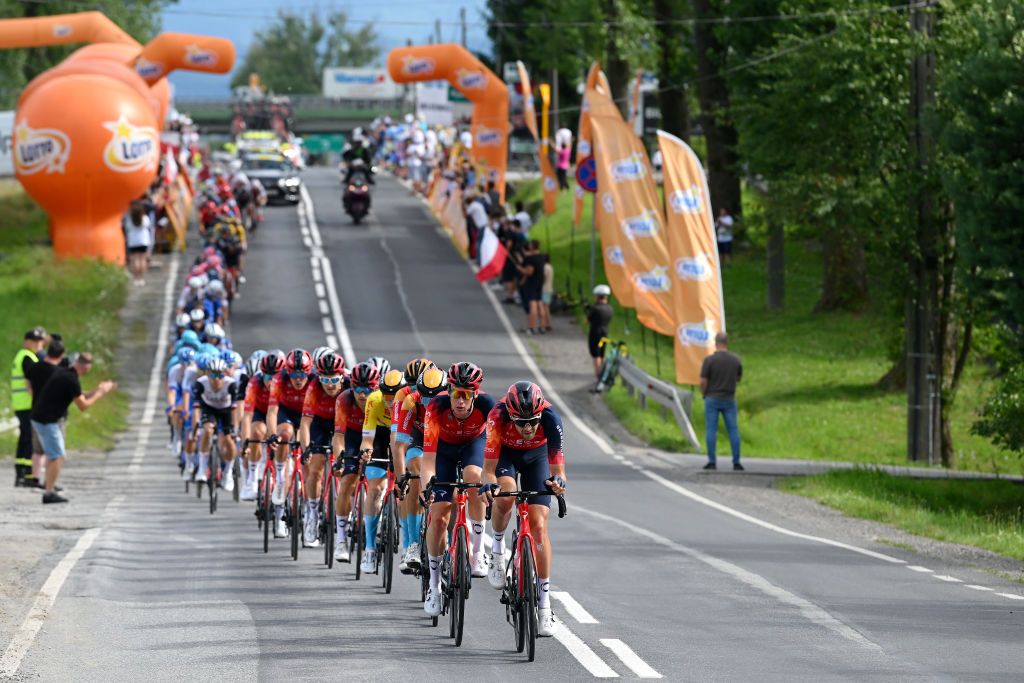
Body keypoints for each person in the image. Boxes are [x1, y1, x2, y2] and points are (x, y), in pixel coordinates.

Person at [480, 381, 567, 637]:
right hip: (505, 457)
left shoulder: (551, 418)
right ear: (511, 415)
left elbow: (558, 471)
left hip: (536, 458)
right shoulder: (497, 415)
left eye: (533, 421)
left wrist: (558, 483)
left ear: (541, 414)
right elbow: (487, 469)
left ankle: (544, 605)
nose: (528, 427)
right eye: (520, 422)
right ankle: (497, 550)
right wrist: (490, 484)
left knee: (539, 526)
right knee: (505, 498)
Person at [417, 362, 495, 617]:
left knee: (474, 477)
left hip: (474, 444)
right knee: (439, 517)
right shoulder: (436, 407)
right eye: (455, 394)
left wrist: (491, 480)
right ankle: (434, 584)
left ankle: (476, 552)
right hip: (444, 452)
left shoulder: (487, 406)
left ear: (475, 394)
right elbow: (428, 460)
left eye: (466, 395)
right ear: (448, 391)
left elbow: (496, 451)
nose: (460, 401)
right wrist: (426, 486)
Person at [30, 352, 116, 503]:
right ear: (86, 367)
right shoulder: (71, 379)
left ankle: (49, 487)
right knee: (57, 455)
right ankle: (49, 493)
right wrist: (101, 393)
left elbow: (80, 395)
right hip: (47, 420)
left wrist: (97, 390)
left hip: (42, 418)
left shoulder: (66, 374)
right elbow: (83, 405)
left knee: (54, 455)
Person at [331, 361, 380, 563]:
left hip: (377, 438)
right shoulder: (344, 399)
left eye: (367, 389)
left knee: (380, 482)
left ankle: (382, 516)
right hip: (351, 438)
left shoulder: (379, 401)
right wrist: (339, 459)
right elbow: (338, 436)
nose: (362, 394)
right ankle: (341, 540)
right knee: (346, 482)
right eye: (358, 389)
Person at [297, 351, 347, 548]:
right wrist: (306, 448)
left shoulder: (351, 387)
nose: (330, 384)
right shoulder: (314, 387)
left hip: (344, 427)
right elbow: (305, 423)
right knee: (315, 467)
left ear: (342, 376)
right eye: (325, 379)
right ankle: (311, 514)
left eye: (334, 379)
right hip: (321, 424)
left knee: (346, 467)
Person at [266, 348, 314, 538]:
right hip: (286, 413)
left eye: (303, 373)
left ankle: (312, 513)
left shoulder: (314, 381)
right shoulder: (279, 380)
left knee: (309, 461)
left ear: (309, 371)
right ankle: (279, 475)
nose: (298, 378)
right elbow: (271, 412)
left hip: (308, 416)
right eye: (294, 373)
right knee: (284, 434)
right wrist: (272, 435)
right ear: (287, 371)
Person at [24, 334, 64, 486]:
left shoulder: (34, 369)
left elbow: (29, 388)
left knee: (37, 449)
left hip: (35, 411)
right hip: (53, 415)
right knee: (53, 451)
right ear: (61, 355)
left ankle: (35, 478)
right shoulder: (59, 372)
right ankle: (49, 481)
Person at [700, 332, 743, 471]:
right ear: (727, 342)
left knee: (711, 430)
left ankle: (712, 461)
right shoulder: (736, 360)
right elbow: (738, 378)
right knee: (733, 430)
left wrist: (704, 393)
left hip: (712, 398)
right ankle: (736, 462)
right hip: (729, 399)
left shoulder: (709, 360)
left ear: (716, 343)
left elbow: (703, 381)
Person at [12, 327, 47, 487]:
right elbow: (31, 381)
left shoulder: (25, 356)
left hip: (22, 403)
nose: (38, 344)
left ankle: (22, 472)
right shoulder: (27, 357)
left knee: (25, 437)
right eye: (35, 341)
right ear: (27, 342)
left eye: (40, 341)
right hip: (27, 403)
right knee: (29, 439)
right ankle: (26, 474)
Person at [516, 240, 545, 335]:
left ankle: (532, 326)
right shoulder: (541, 257)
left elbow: (529, 272)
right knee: (540, 303)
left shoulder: (531, 259)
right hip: (540, 282)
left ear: (532, 247)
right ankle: (542, 326)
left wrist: (520, 269)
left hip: (532, 283)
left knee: (532, 305)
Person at [587, 285, 613, 379]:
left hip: (595, 332)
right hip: (605, 332)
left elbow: (588, 320)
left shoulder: (595, 308)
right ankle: (601, 370)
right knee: (601, 352)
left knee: (596, 353)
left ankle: (598, 373)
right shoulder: (610, 308)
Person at [123, 200, 153, 286]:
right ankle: (141, 278)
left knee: (135, 260)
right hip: (143, 241)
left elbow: (126, 228)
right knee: (142, 259)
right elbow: (149, 227)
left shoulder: (128, 220)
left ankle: (136, 278)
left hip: (133, 241)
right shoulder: (145, 218)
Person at [540, 254, 554, 332]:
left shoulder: (545, 267)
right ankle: (548, 323)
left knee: (544, 307)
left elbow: (544, 277)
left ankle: (546, 323)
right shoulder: (550, 267)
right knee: (547, 307)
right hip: (549, 288)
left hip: (545, 289)